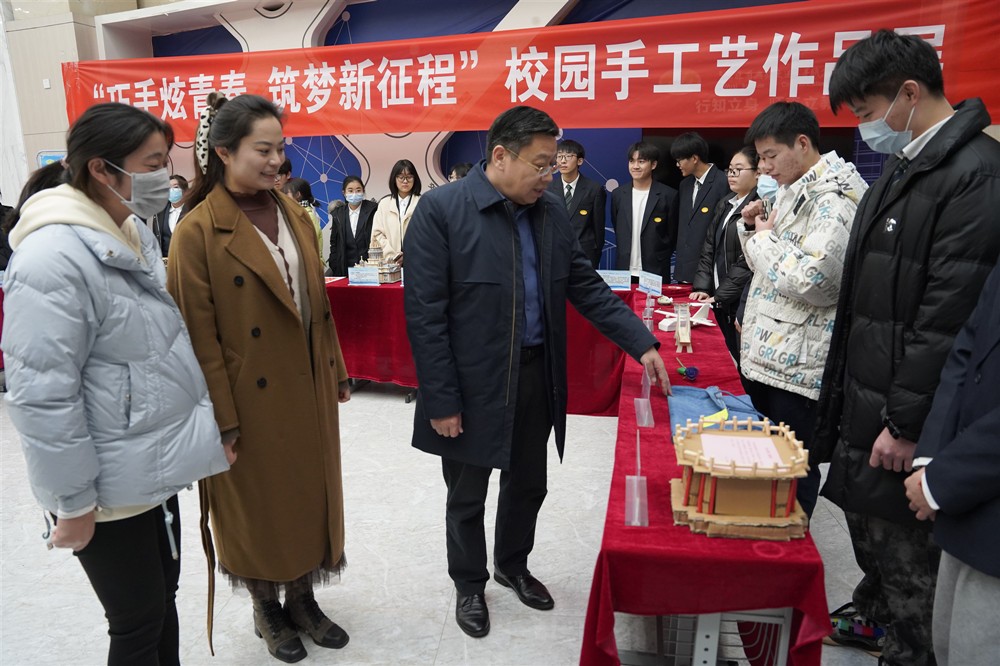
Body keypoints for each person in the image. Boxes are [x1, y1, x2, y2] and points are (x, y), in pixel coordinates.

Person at [403, 105, 671, 639]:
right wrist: (442, 399)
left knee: (528, 483)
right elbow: (425, 316)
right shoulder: (442, 210)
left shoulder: (549, 212)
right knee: (467, 493)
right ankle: (469, 583)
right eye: (542, 164)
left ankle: (512, 565)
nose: (550, 175)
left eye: (554, 164)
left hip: (534, 375)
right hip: (471, 382)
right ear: (501, 156)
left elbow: (585, 285)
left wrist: (640, 342)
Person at [1, 102, 231, 665]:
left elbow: (154, 355)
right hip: (103, 485)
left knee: (161, 604)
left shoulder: (130, 232)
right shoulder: (51, 257)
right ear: (102, 169)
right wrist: (74, 500)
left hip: (148, 463)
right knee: (135, 622)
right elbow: (42, 395)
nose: (163, 176)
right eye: (152, 164)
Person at [814, 30, 1000, 666]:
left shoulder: (975, 175)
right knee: (878, 553)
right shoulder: (907, 165)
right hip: (871, 398)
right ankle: (882, 629)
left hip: (902, 420)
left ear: (910, 93)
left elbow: (948, 320)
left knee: (912, 580)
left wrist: (905, 423)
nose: (865, 128)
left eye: (867, 112)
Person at [166, 94, 352, 664]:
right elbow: (196, 340)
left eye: (281, 149)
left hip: (307, 385)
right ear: (224, 152)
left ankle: (303, 597)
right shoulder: (197, 231)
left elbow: (317, 305)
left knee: (307, 495)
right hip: (247, 399)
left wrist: (338, 369)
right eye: (263, 150)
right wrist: (221, 421)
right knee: (257, 507)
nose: (276, 161)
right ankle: (265, 606)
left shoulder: (293, 212)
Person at [739, 101, 867, 520]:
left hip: (799, 368)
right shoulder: (794, 191)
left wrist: (763, 240)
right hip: (774, 355)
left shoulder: (835, 200)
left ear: (802, 143)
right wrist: (754, 231)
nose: (764, 167)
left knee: (792, 476)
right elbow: (771, 268)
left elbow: (817, 281)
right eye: (760, 158)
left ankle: (786, 553)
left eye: (770, 156)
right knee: (768, 471)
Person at [903, 262, 1000, 666]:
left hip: (979, 491)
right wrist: (931, 459)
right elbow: (968, 348)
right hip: (965, 502)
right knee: (948, 646)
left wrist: (942, 480)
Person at [689, 146, 760, 366]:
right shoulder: (726, 202)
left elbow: (748, 260)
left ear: (758, 173)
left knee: (740, 361)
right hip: (718, 298)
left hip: (738, 300)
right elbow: (709, 246)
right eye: (729, 170)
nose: (732, 175)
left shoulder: (759, 208)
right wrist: (703, 288)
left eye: (738, 169)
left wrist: (720, 296)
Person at [668, 132, 731, 283]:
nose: (677, 165)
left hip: (709, 270)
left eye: (680, 160)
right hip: (684, 270)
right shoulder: (685, 185)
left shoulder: (723, 182)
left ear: (694, 158)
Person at [611, 141, 676, 279]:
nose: (635, 166)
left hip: (655, 270)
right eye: (631, 161)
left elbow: (672, 234)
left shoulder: (669, 195)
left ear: (653, 164)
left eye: (641, 161)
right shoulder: (618, 195)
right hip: (624, 270)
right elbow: (617, 226)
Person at [548, 138, 607, 268]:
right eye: (559, 156)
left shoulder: (594, 189)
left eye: (568, 156)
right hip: (555, 254)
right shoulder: (548, 188)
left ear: (580, 161)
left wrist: (595, 256)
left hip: (585, 255)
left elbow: (598, 229)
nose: (563, 161)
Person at [371, 159, 421, 266]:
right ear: (394, 178)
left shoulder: (422, 202)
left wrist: (409, 255)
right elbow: (377, 234)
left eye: (409, 177)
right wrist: (393, 256)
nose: (405, 181)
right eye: (401, 177)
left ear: (415, 179)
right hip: (390, 263)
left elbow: (427, 235)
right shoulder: (384, 204)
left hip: (417, 262)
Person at [328, 175, 376, 276]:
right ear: (344, 193)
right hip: (345, 268)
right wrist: (335, 264)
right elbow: (334, 243)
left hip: (370, 267)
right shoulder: (338, 214)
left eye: (358, 190)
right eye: (350, 190)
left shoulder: (373, 210)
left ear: (363, 191)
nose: (354, 194)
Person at [153, 173, 189, 257]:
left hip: (185, 258)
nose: (171, 190)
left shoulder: (192, 211)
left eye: (175, 187)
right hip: (166, 259)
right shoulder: (159, 213)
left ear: (185, 190)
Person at [284, 176, 323, 253]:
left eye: (286, 194)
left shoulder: (307, 216)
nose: (284, 197)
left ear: (297, 194)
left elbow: (309, 245)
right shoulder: (297, 213)